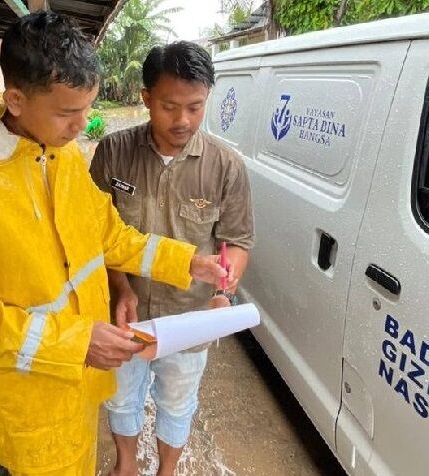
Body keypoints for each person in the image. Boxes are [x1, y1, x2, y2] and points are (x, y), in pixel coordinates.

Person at [0, 13, 230, 476]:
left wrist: (186, 261)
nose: (82, 124)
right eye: (66, 112)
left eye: (87, 108)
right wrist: (71, 341)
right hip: (22, 400)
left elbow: (107, 235)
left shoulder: (60, 153)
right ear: (15, 99)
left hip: (75, 382)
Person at [90, 41, 255, 476]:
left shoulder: (226, 167)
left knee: (177, 400)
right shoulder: (112, 153)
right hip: (125, 314)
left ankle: (166, 470)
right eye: (169, 106)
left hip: (190, 315)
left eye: (195, 107)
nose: (183, 120)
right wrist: (121, 287)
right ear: (146, 97)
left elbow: (237, 240)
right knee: (121, 396)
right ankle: (125, 463)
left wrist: (226, 283)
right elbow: (94, 236)